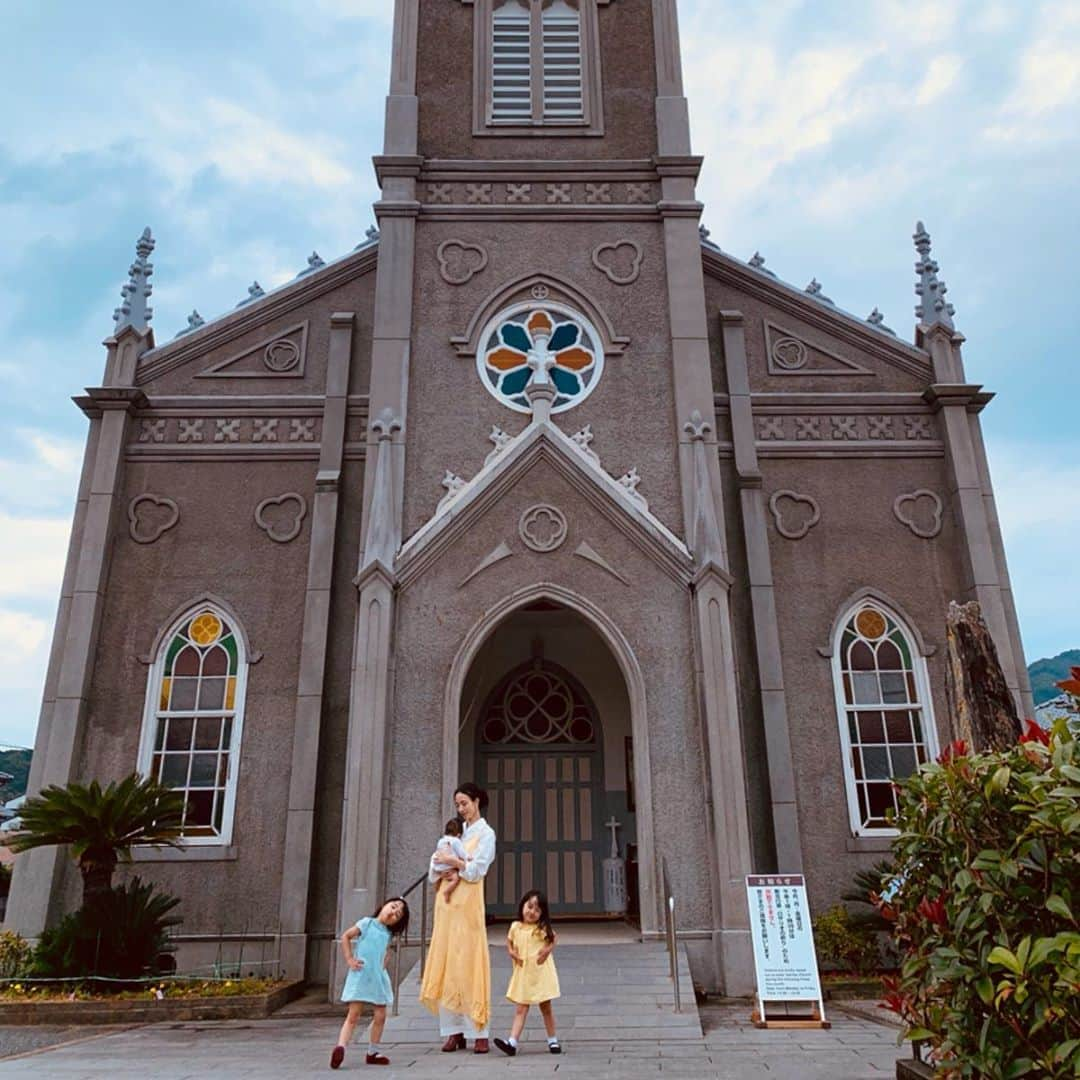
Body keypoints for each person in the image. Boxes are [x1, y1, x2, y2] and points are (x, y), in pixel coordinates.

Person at [419, 782, 497, 1053]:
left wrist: (456, 864)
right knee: (449, 962)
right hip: (447, 905)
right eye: (458, 805)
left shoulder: (485, 834)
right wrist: (445, 864)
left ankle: (479, 1029)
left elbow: (478, 869)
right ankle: (452, 1031)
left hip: (469, 905)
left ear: (476, 802)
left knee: (470, 963)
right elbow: (434, 863)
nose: (461, 809)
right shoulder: (454, 831)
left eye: (465, 803)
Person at [330, 897, 410, 1069]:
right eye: (393, 907)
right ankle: (340, 1047)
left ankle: (373, 1051)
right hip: (361, 974)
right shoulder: (367, 923)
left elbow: (385, 952)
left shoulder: (388, 934)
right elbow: (346, 936)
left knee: (380, 1015)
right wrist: (350, 959)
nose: (393, 912)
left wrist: (383, 965)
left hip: (377, 977)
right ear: (383, 906)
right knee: (354, 1015)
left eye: (398, 914)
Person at [493, 890, 562, 1056]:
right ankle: (512, 1042)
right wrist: (511, 952)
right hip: (524, 973)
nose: (532, 912)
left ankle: (552, 1040)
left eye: (537, 910)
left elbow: (554, 938)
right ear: (522, 905)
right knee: (521, 1009)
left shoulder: (541, 929)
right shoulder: (515, 927)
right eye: (529, 907)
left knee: (546, 1008)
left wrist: (546, 951)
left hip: (540, 974)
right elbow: (509, 941)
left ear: (542, 914)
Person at [432, 817, 467, 902]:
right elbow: (462, 853)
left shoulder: (441, 841)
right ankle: (447, 892)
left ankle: (437, 885)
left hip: (439, 869)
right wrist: (468, 857)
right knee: (456, 879)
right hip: (449, 870)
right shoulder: (456, 841)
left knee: (438, 876)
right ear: (459, 834)